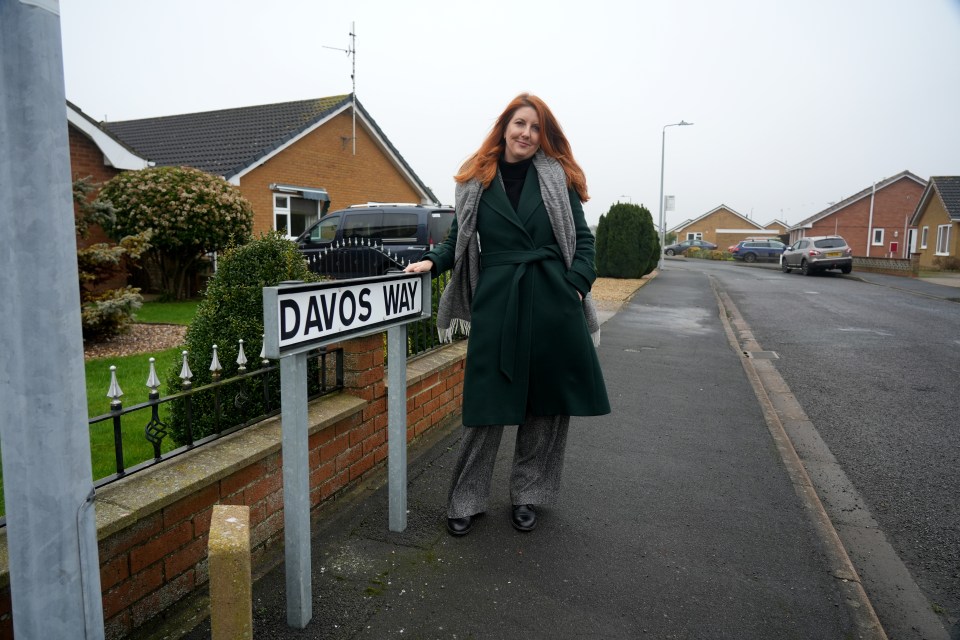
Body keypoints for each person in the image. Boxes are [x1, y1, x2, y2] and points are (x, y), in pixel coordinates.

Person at [405, 93, 610, 536]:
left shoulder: (558, 178)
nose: (527, 134)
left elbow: (584, 242)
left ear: (544, 135)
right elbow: (458, 240)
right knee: (487, 405)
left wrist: (574, 286)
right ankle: (466, 498)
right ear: (504, 126)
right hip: (498, 301)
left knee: (545, 407)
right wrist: (431, 262)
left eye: (536, 128)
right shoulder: (476, 181)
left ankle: (528, 494)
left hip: (554, 301)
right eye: (520, 124)